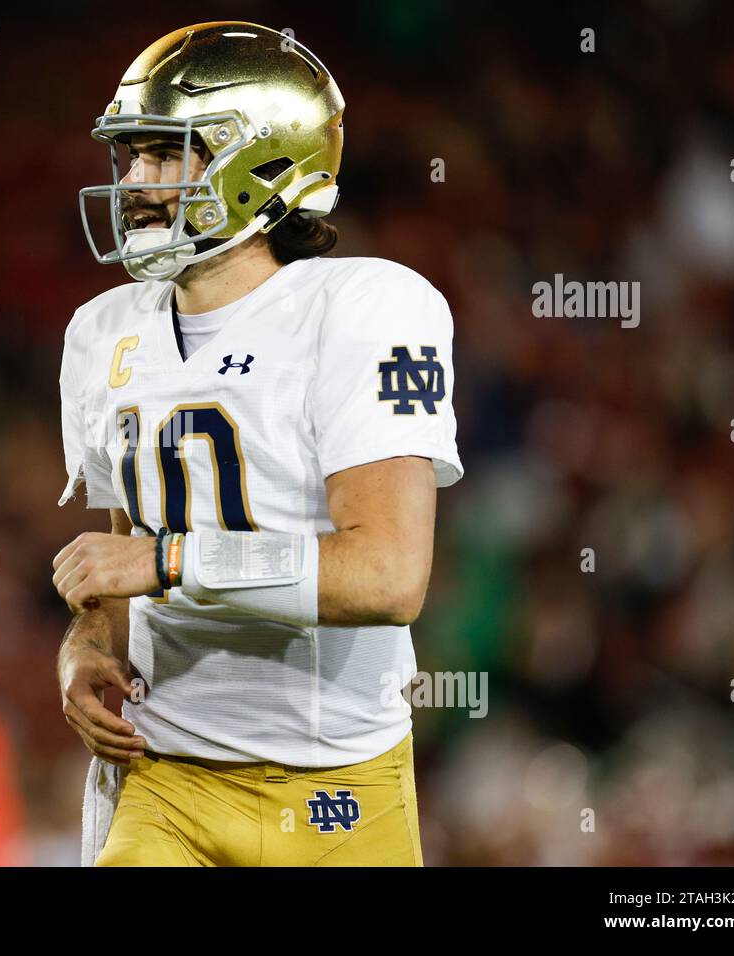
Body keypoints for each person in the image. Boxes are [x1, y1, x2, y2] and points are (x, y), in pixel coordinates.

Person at [54, 21, 462, 866]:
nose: (133, 181)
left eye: (165, 155)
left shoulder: (366, 307)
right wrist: (88, 645)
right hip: (164, 776)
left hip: (338, 788)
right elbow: (131, 557)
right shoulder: (101, 332)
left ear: (262, 163)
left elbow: (386, 576)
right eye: (128, 156)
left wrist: (170, 563)